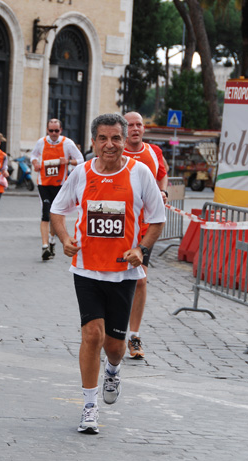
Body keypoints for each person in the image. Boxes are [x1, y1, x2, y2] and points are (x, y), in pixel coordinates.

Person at [50, 113, 165, 434]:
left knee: (114, 346)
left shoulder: (140, 173)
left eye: (116, 138)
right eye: (103, 138)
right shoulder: (81, 173)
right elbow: (58, 210)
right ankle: (89, 406)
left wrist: (141, 249)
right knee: (92, 335)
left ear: (124, 140)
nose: (110, 144)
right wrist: (65, 239)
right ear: (93, 142)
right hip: (86, 269)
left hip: (123, 273)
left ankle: (113, 371)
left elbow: (158, 219)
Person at [123, 111, 169, 360]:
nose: (135, 128)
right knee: (114, 281)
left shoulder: (153, 152)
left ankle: (134, 336)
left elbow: (162, 174)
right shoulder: (115, 150)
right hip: (119, 226)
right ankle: (110, 331)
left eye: (139, 124)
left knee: (140, 280)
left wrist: (163, 193)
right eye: (130, 125)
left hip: (144, 229)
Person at [30, 118, 84, 261]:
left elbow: (81, 159)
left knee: (57, 214)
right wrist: (35, 163)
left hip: (61, 185)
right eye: (51, 130)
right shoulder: (41, 142)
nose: (53, 133)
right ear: (47, 130)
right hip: (44, 183)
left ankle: (53, 240)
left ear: (61, 130)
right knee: (45, 213)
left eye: (56, 130)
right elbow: (33, 155)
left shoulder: (67, 143)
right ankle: (44, 246)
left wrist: (68, 161)